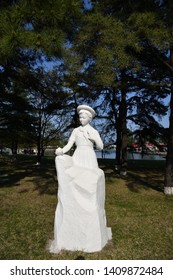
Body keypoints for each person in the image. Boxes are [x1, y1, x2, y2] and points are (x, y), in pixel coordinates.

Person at [49, 105, 112, 253]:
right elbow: (69, 145)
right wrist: (61, 151)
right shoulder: (75, 131)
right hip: (78, 157)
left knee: (90, 184)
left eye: (84, 117)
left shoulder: (93, 131)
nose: (81, 119)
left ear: (89, 118)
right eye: (80, 117)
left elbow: (101, 146)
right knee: (76, 182)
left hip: (89, 158)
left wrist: (93, 137)